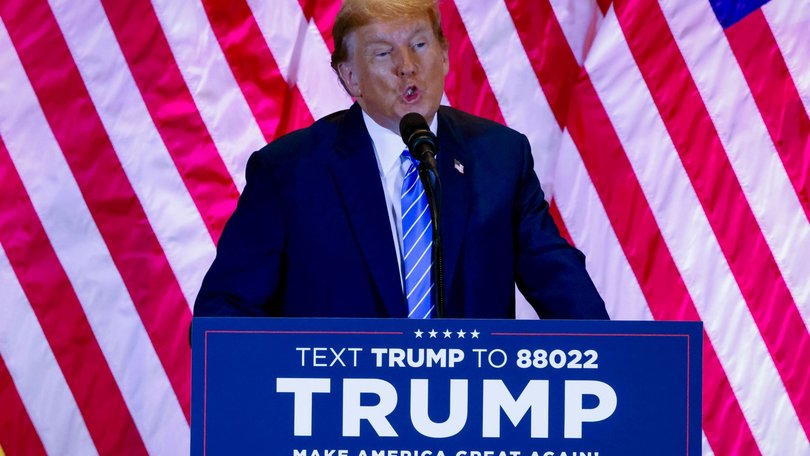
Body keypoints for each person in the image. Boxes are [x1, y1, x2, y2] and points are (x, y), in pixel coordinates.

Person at [193, 0, 608, 319]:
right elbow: (226, 310)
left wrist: (614, 359)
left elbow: (557, 279)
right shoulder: (289, 172)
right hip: (336, 418)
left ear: (444, 56)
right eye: (382, 53)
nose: (407, 67)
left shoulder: (500, 157)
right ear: (349, 77)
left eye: (419, 45)